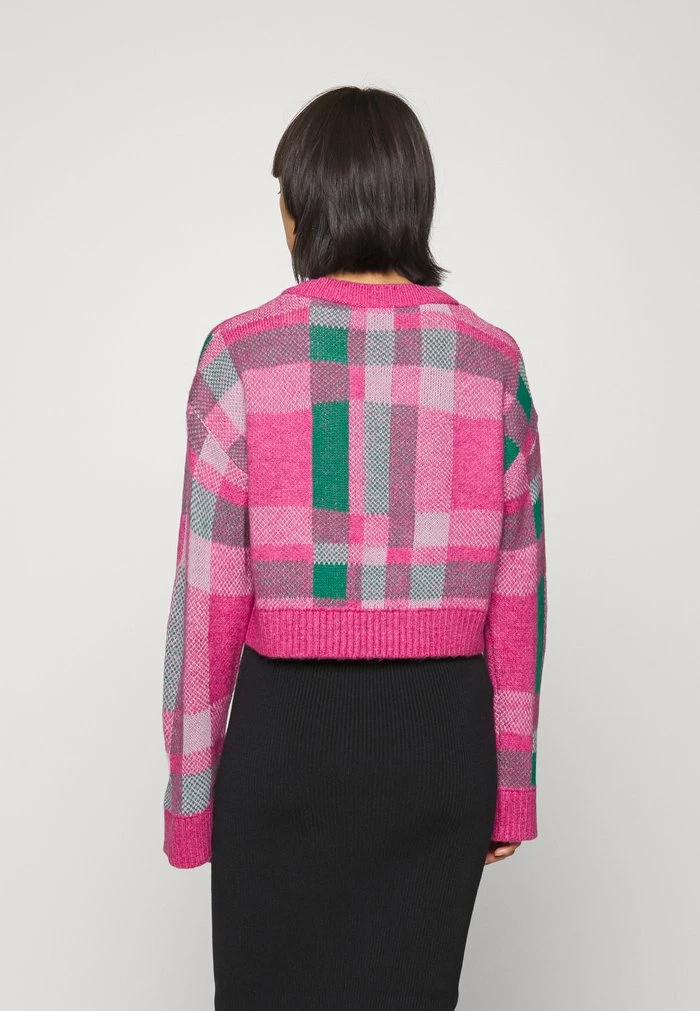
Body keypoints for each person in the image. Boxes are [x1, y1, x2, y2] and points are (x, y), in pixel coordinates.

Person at [161, 84, 547, 1011]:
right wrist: (510, 781)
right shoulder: (493, 361)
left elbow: (206, 601)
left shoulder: (240, 356)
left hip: (288, 748)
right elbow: (519, 594)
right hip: (439, 749)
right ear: (415, 203)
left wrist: (190, 795)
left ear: (300, 212)